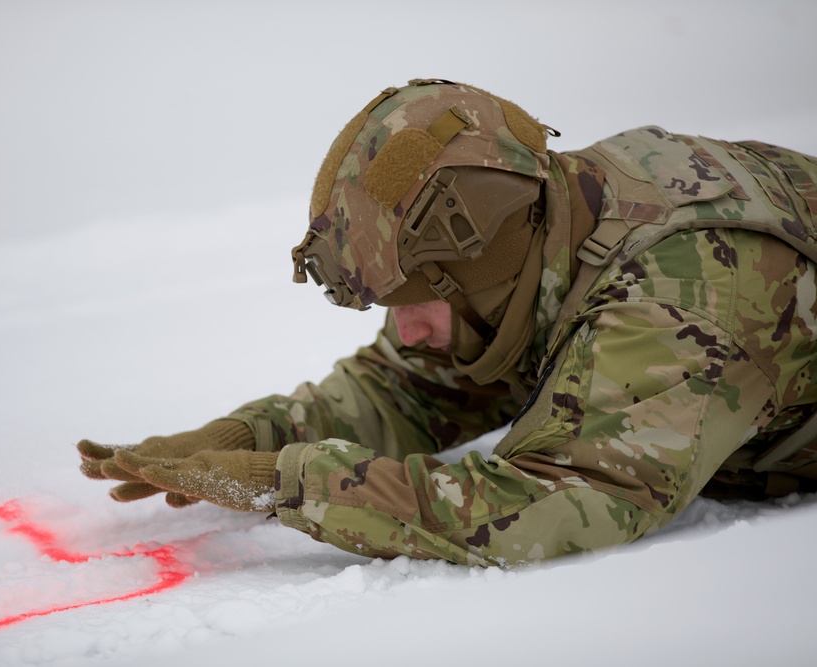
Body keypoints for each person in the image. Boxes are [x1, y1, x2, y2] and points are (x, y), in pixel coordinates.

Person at [78, 79, 817, 567]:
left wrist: (291, 484)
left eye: (413, 302)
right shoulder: (547, 223)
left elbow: (550, 503)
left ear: (484, 266)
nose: (404, 332)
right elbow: (409, 391)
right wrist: (251, 436)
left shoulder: (675, 299)